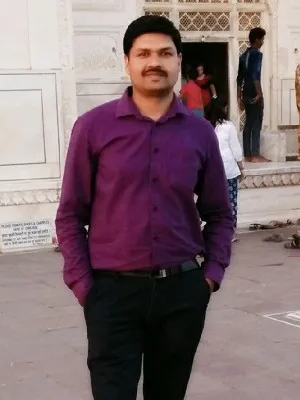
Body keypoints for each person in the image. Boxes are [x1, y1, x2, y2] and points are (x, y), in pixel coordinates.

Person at [55, 15, 234, 400]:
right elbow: (70, 214)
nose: (155, 62)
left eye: (165, 53)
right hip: (112, 293)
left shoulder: (200, 133)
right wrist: (84, 285)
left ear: (179, 61)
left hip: (182, 292)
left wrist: (211, 275)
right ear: (127, 62)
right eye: (144, 54)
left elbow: (220, 212)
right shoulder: (94, 127)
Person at [205, 97, 245, 242]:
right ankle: (230, 232)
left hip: (212, 171)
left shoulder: (205, 126)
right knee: (231, 202)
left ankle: (216, 232)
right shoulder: (228, 126)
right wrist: (241, 167)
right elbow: (235, 148)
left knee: (215, 203)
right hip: (228, 170)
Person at [237, 27, 269, 163]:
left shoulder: (243, 55)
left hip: (245, 92)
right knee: (256, 121)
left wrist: (239, 98)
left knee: (248, 123)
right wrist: (259, 93)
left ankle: (248, 154)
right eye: (262, 39)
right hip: (254, 91)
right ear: (257, 40)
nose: (262, 42)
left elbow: (239, 79)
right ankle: (255, 154)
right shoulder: (257, 54)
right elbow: (255, 75)